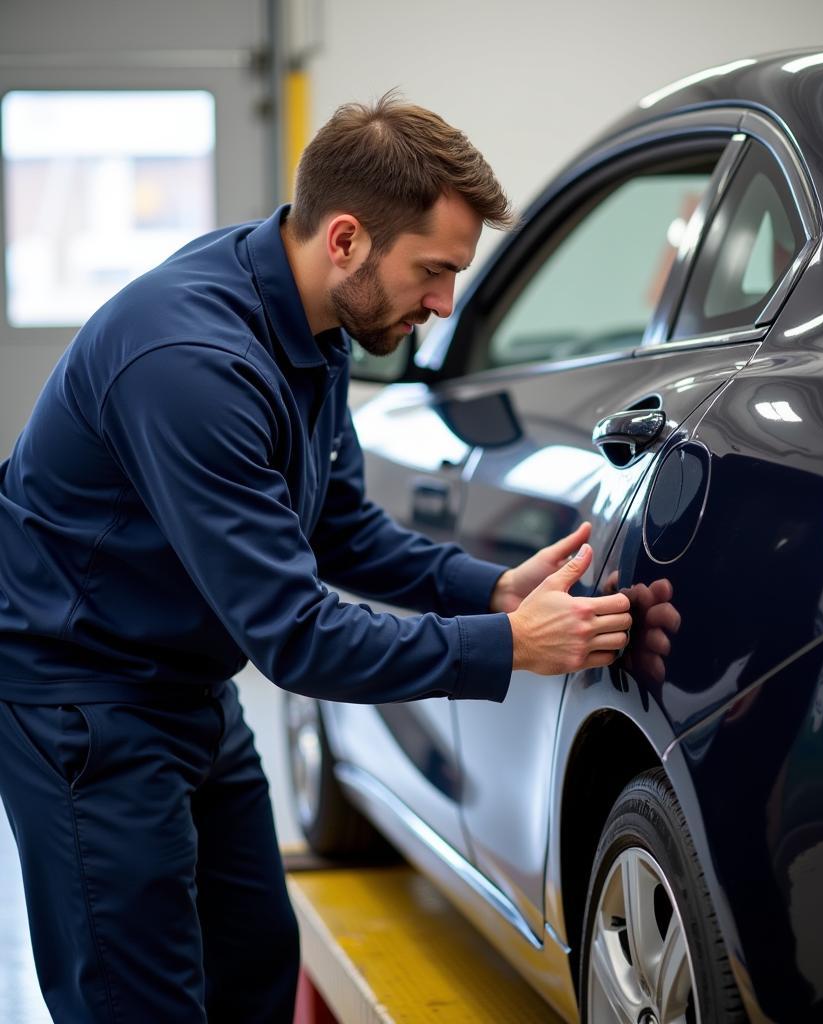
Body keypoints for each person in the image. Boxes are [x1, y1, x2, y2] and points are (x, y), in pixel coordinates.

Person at [0, 95, 632, 1023]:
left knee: (254, 961)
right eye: (434, 271)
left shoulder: (318, 324)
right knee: (138, 1000)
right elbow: (296, 638)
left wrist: (490, 588)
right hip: (81, 699)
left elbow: (334, 529)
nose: (444, 303)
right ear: (346, 240)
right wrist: (503, 648)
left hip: (185, 680)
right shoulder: (192, 363)